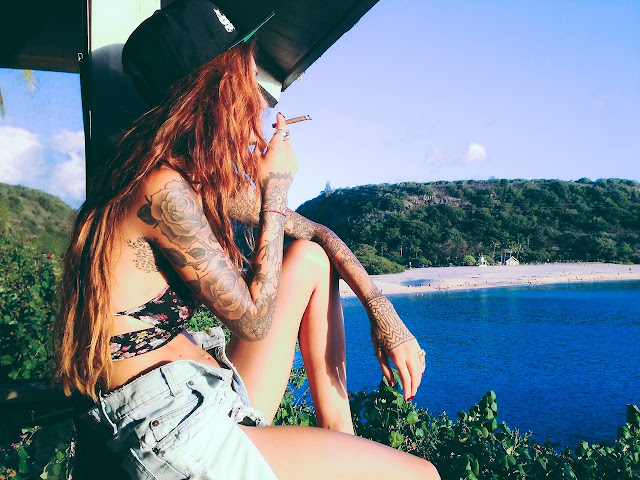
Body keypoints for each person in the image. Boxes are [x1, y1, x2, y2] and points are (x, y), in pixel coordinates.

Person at [53, 1, 440, 478]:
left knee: (310, 260)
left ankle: (340, 433)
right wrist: (275, 187)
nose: (259, 102)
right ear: (213, 93)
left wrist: (384, 315)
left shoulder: (190, 180)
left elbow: (319, 234)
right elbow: (254, 322)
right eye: (246, 82)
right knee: (422, 475)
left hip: (204, 394)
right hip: (171, 427)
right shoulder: (158, 190)